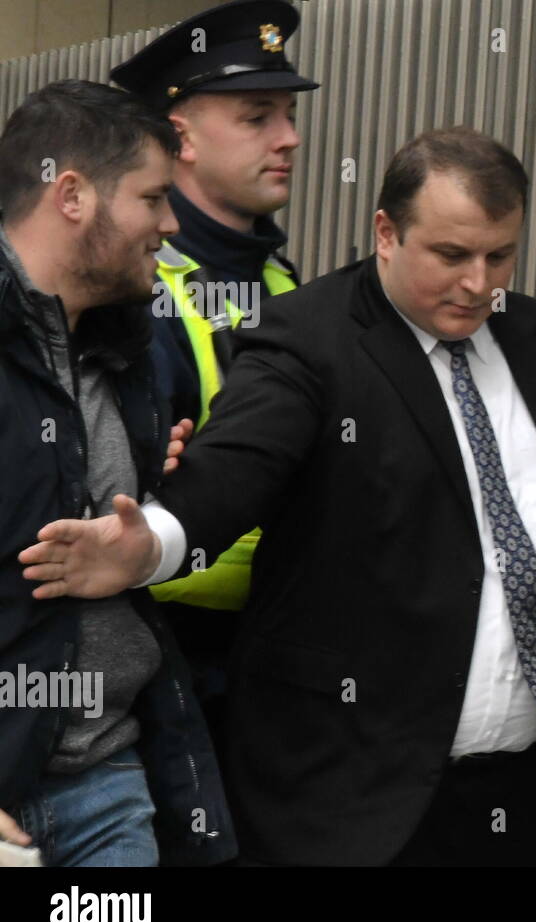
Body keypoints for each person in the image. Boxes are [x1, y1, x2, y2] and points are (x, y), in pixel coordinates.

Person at [21, 127, 536, 866]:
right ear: (386, 233)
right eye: (451, 256)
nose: (479, 283)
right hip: (348, 798)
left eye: (499, 256)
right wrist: (148, 545)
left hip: (515, 793)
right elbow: (234, 471)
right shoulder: (310, 336)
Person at [0, 79, 235, 867]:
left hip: (109, 780)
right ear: (71, 195)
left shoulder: (129, 347)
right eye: (153, 198)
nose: (171, 225)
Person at [108, 0, 320, 749]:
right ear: (181, 137)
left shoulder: (289, 283)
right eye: (258, 116)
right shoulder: (129, 293)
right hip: (167, 659)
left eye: (288, 115)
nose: (289, 137)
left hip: (285, 658)